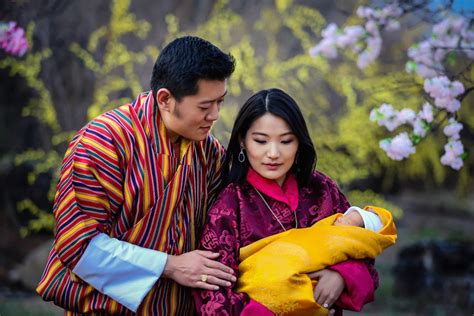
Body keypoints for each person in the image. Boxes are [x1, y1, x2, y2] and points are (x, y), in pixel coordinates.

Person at [36, 36, 237, 315]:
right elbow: (78, 247)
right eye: (205, 106)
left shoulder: (210, 153)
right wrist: (170, 265)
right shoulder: (104, 141)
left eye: (220, 102)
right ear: (165, 99)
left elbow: (232, 226)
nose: (215, 115)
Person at [194, 88, 384, 315]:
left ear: (299, 143)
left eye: (285, 141)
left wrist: (342, 275)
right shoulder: (230, 204)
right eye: (261, 141)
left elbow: (360, 249)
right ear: (243, 142)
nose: (273, 153)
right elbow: (212, 290)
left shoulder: (321, 189)